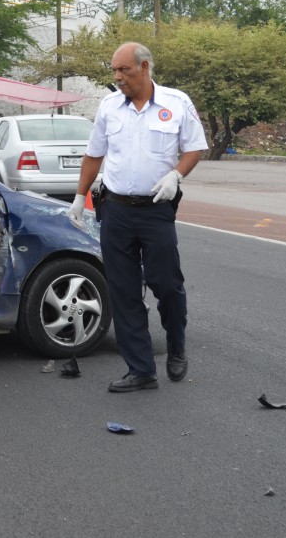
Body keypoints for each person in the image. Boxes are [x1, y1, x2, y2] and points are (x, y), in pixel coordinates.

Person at [68, 42, 207, 393]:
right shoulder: (109, 106)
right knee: (123, 290)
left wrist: (176, 174)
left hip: (156, 210)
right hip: (114, 210)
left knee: (166, 284)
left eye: (123, 71)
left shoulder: (177, 103)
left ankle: (176, 345)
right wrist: (78, 196)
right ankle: (141, 369)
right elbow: (93, 154)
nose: (117, 78)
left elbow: (195, 147)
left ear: (144, 68)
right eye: (114, 71)